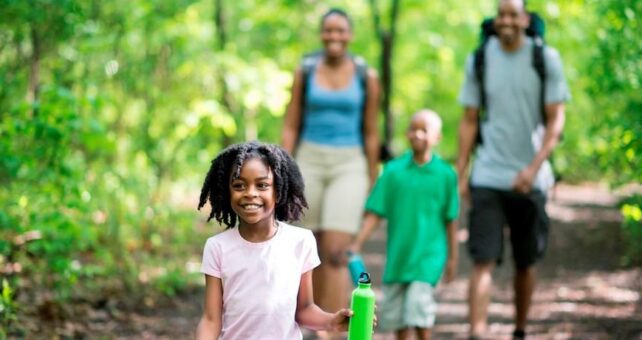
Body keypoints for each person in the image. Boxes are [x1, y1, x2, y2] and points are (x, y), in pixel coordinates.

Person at [456, 0, 570, 339]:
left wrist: (533, 169)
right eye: (501, 14)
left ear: (524, 18)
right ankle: (477, 332)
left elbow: (555, 119)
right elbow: (468, 119)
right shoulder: (479, 59)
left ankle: (520, 329)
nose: (506, 21)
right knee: (482, 259)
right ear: (496, 18)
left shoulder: (545, 59)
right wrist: (462, 172)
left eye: (512, 14)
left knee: (526, 262)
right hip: (488, 175)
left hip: (531, 179)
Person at [281, 7, 381, 324]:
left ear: (350, 35)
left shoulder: (367, 76)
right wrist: (283, 167)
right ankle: (313, 318)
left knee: (338, 250)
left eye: (340, 31)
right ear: (322, 34)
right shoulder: (306, 70)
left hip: (349, 161)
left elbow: (371, 131)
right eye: (328, 30)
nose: (334, 36)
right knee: (309, 247)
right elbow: (291, 124)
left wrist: (372, 176)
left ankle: (333, 328)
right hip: (308, 157)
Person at [195, 141, 354, 339]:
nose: (250, 193)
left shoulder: (300, 242)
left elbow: (303, 309)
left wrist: (332, 321)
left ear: (278, 190)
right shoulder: (217, 247)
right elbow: (211, 319)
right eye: (239, 185)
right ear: (227, 192)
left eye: (262, 185)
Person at [349, 110, 459, 340]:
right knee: (398, 318)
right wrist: (357, 244)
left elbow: (451, 219)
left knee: (418, 313)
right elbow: (375, 213)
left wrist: (452, 258)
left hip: (428, 257)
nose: (417, 134)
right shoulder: (393, 172)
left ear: (437, 137)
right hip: (398, 258)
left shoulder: (446, 174)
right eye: (412, 128)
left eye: (424, 130)